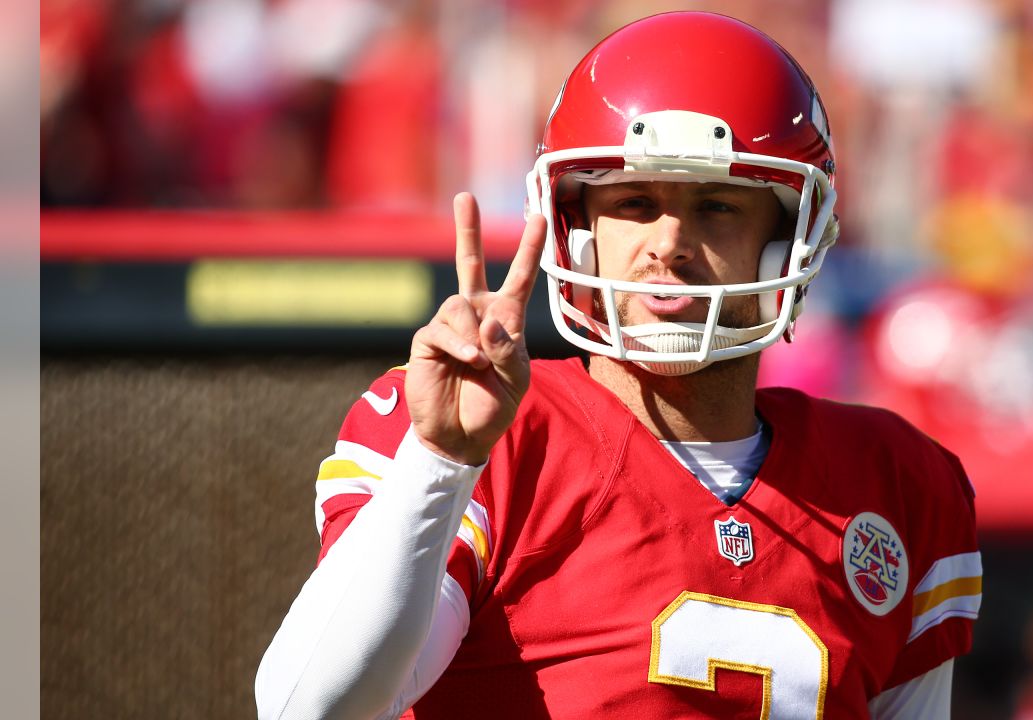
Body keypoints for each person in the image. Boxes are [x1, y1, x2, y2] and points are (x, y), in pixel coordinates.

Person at [256, 11, 982, 719]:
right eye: (635, 202)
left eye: (719, 207)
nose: (668, 242)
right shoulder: (490, 442)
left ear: (786, 238)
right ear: (577, 235)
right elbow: (310, 707)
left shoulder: (896, 483)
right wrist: (442, 461)